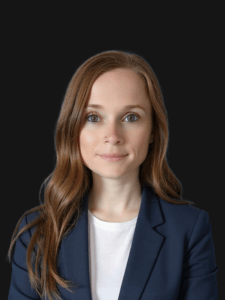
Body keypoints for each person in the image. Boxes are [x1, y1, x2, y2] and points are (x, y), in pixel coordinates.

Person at [7, 50, 219, 300]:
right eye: (93, 117)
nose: (113, 135)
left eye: (131, 117)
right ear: (73, 129)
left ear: (153, 130)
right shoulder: (38, 232)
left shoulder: (189, 229)